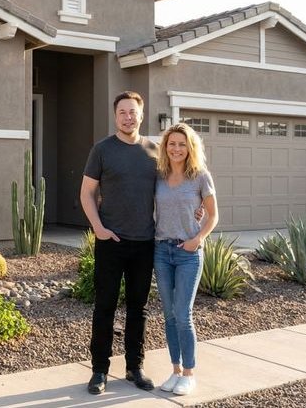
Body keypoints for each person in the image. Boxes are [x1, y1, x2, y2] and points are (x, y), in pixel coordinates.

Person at [79, 91, 157, 394]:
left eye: (133, 112)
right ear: (116, 116)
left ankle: (134, 367)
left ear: (141, 114)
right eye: (122, 112)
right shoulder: (102, 150)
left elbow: (172, 189)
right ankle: (99, 370)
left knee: (139, 309)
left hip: (145, 242)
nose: (128, 117)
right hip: (111, 241)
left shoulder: (154, 151)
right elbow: (86, 193)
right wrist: (98, 227)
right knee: (105, 307)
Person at [153, 122, 218, 396]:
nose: (176, 148)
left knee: (183, 314)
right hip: (161, 250)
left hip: (188, 252)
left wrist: (197, 239)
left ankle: (190, 373)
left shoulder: (200, 176)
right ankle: (176, 370)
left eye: (182, 144)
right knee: (168, 316)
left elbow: (213, 215)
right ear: (165, 147)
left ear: (190, 148)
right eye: (172, 143)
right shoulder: (158, 176)